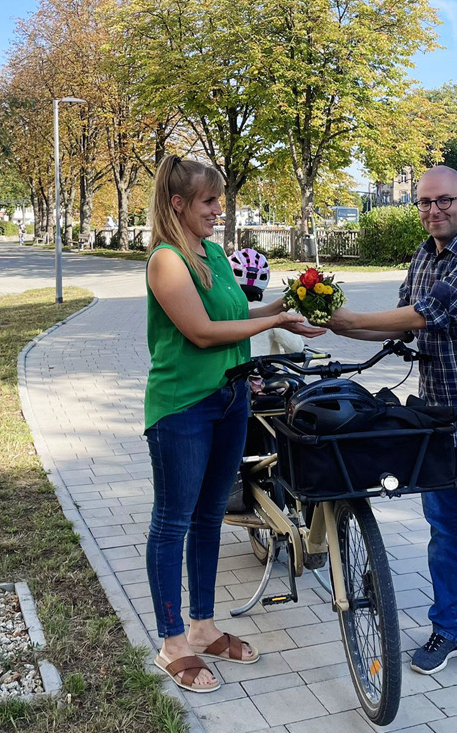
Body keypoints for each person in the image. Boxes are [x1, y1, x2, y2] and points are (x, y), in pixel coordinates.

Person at [324, 165, 457, 693]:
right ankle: (448, 629)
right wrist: (326, 320)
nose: (433, 210)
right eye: (424, 202)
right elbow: (400, 317)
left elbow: (427, 314)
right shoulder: (423, 255)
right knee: (444, 534)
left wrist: (348, 320)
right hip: (438, 422)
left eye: (444, 201)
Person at [144, 156, 323, 694]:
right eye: (209, 202)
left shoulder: (213, 254)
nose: (219, 211)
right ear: (178, 204)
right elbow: (201, 332)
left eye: (219, 201)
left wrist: (288, 305)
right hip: (183, 407)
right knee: (173, 521)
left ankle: (202, 627)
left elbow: (238, 315)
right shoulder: (167, 260)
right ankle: (172, 642)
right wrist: (274, 320)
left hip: (229, 401)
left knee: (208, 518)